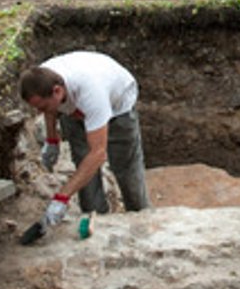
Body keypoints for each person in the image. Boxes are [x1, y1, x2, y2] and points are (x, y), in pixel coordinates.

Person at [20, 51, 149, 225]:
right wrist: (52, 140)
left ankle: (140, 217)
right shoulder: (41, 79)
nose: (39, 112)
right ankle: (95, 220)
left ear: (57, 91)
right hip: (75, 109)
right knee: (83, 163)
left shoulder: (92, 93)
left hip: (119, 107)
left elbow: (98, 153)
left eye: (42, 106)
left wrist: (62, 197)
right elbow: (48, 108)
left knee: (126, 169)